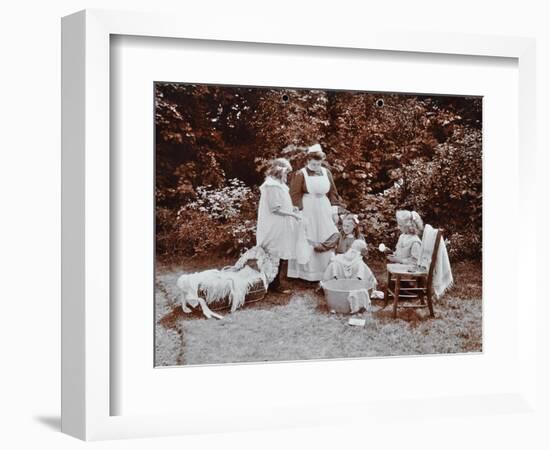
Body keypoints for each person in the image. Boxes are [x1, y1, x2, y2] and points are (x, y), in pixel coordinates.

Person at [287, 144, 345, 281]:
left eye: (318, 163)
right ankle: (307, 274)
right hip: (308, 208)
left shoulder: (326, 172)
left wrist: (335, 211)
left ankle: (325, 271)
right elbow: (294, 195)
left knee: (326, 233)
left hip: (324, 207)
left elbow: (333, 193)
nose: (316, 166)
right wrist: (298, 212)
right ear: (307, 161)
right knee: (309, 236)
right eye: (313, 164)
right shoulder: (301, 174)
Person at [256, 158, 302, 294]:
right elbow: (274, 208)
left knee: (280, 250)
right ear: (279, 170)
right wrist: (293, 215)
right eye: (286, 172)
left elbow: (281, 203)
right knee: (274, 252)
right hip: (274, 223)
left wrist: (291, 208)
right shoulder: (271, 185)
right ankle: (273, 283)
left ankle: (274, 281)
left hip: (280, 223)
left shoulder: (277, 184)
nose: (287, 175)